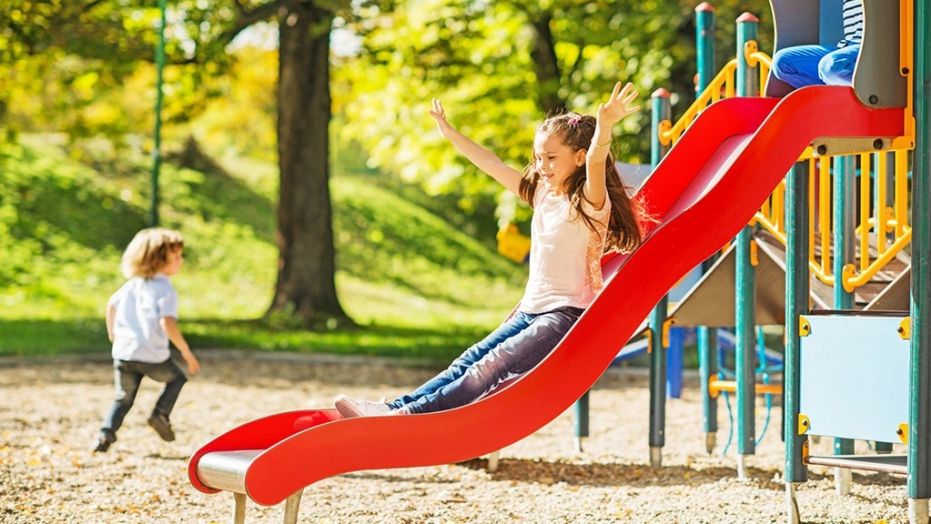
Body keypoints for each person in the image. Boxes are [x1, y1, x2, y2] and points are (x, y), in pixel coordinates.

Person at [335, 81, 645, 418]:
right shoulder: (542, 194)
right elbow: (492, 163)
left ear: (579, 157)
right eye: (538, 157)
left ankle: (409, 415)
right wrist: (449, 132)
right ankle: (394, 407)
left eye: (551, 157)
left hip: (565, 315)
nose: (542, 165)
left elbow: (598, 160)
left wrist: (604, 128)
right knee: (468, 359)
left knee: (490, 366)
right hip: (530, 310)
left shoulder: (589, 202)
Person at [93, 228, 201, 452]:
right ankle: (160, 414)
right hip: (152, 355)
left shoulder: (133, 284)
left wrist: (113, 334)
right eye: (176, 257)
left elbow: (111, 305)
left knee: (122, 398)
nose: (181, 261)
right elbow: (167, 322)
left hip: (124, 353)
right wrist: (185, 351)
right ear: (159, 260)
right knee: (177, 378)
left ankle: (105, 436)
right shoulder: (165, 290)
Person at [770, 0, 863, 88]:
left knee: (831, 66)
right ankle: (835, 91)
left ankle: (864, 92)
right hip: (848, 46)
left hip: (869, 46)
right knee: (783, 62)